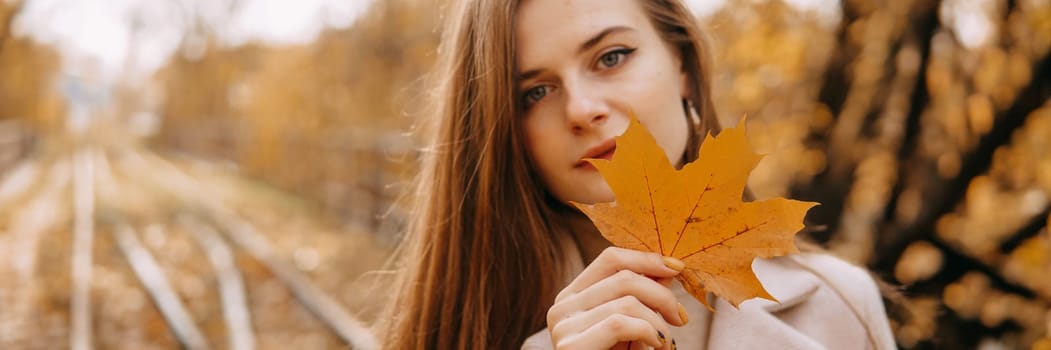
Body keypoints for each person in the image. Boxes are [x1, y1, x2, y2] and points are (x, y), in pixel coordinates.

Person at [376, 0, 898, 348]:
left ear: (684, 69)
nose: (581, 109)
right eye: (534, 92)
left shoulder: (840, 305)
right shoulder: (460, 326)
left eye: (612, 57)